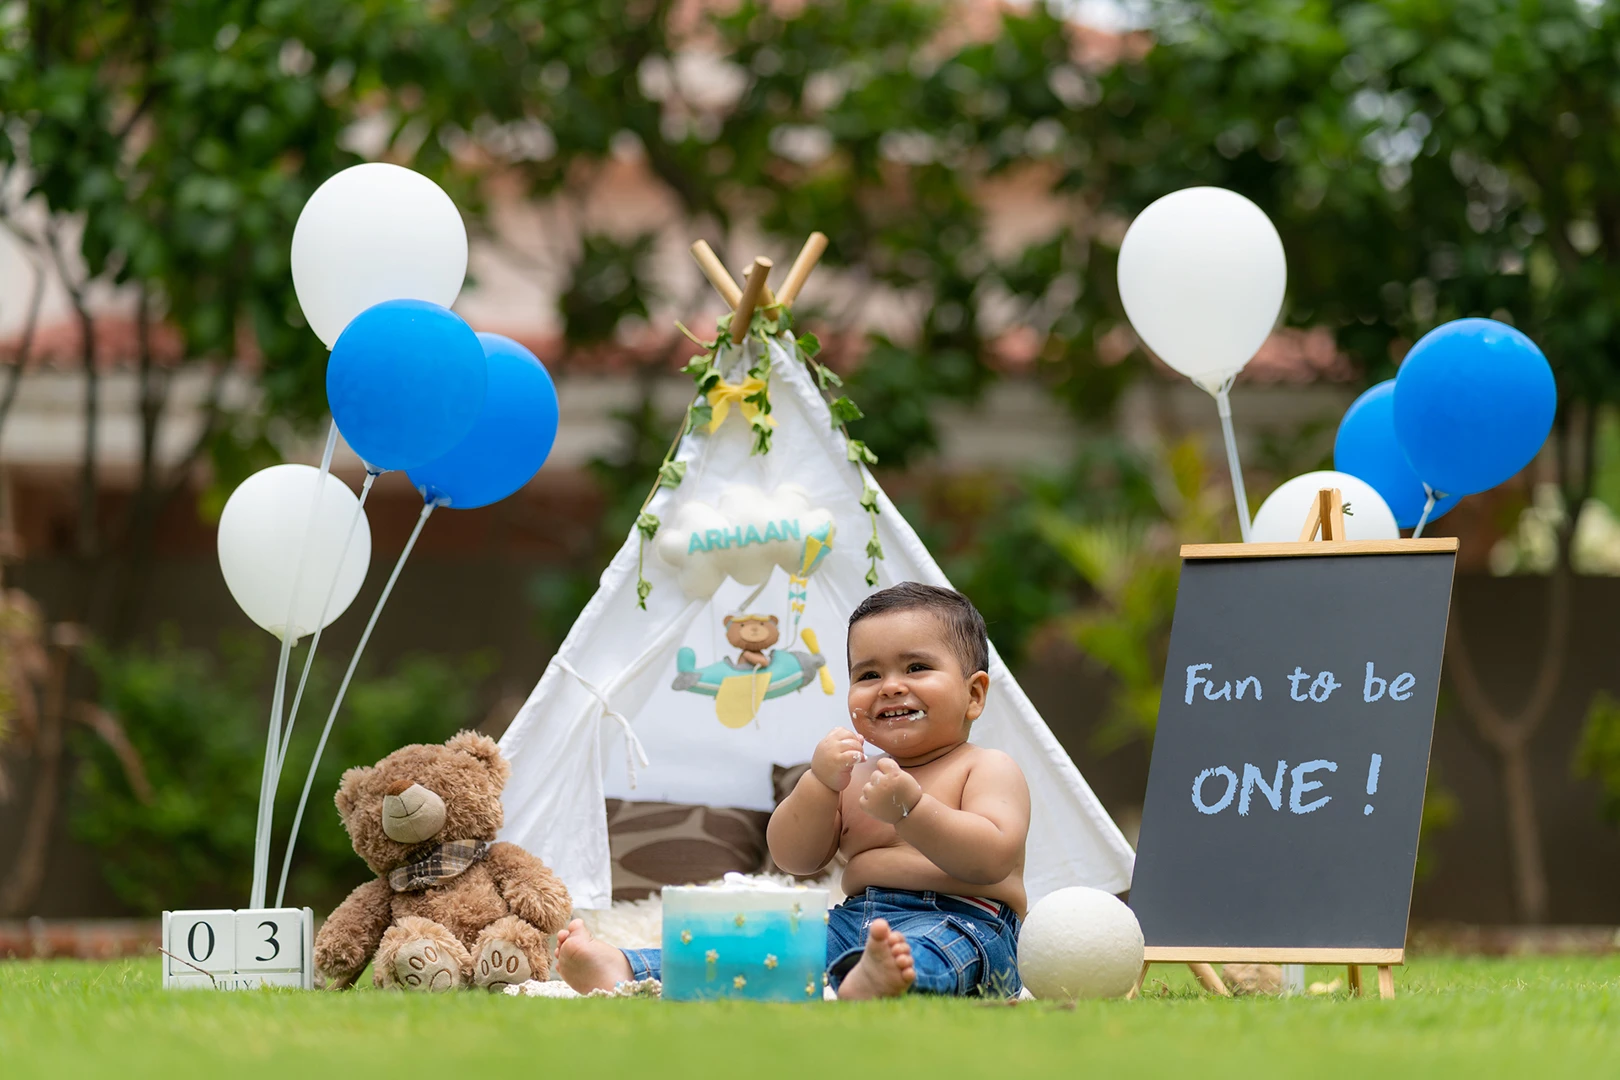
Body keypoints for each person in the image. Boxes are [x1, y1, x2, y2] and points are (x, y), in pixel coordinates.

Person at [556, 582, 1031, 999]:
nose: (890, 687)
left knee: (939, 951)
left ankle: (889, 978)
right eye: (868, 675)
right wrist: (818, 785)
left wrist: (912, 810)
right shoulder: (855, 777)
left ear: (974, 695)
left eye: (916, 667)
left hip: (967, 918)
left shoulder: (985, 768)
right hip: (856, 918)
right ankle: (630, 967)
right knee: (768, 947)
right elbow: (794, 859)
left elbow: (990, 858)